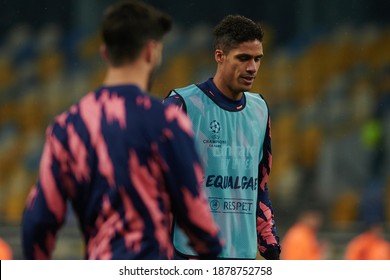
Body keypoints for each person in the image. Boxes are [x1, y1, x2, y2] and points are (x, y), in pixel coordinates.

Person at [21, 0, 222, 260]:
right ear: (151, 52)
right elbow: (197, 219)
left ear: (105, 53)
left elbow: (38, 222)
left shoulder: (68, 127)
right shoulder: (168, 123)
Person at [163, 14, 280, 259]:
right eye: (243, 58)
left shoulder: (260, 109)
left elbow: (260, 182)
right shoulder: (182, 105)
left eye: (258, 59)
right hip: (189, 254)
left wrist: (268, 239)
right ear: (220, 56)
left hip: (242, 255)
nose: (252, 68)